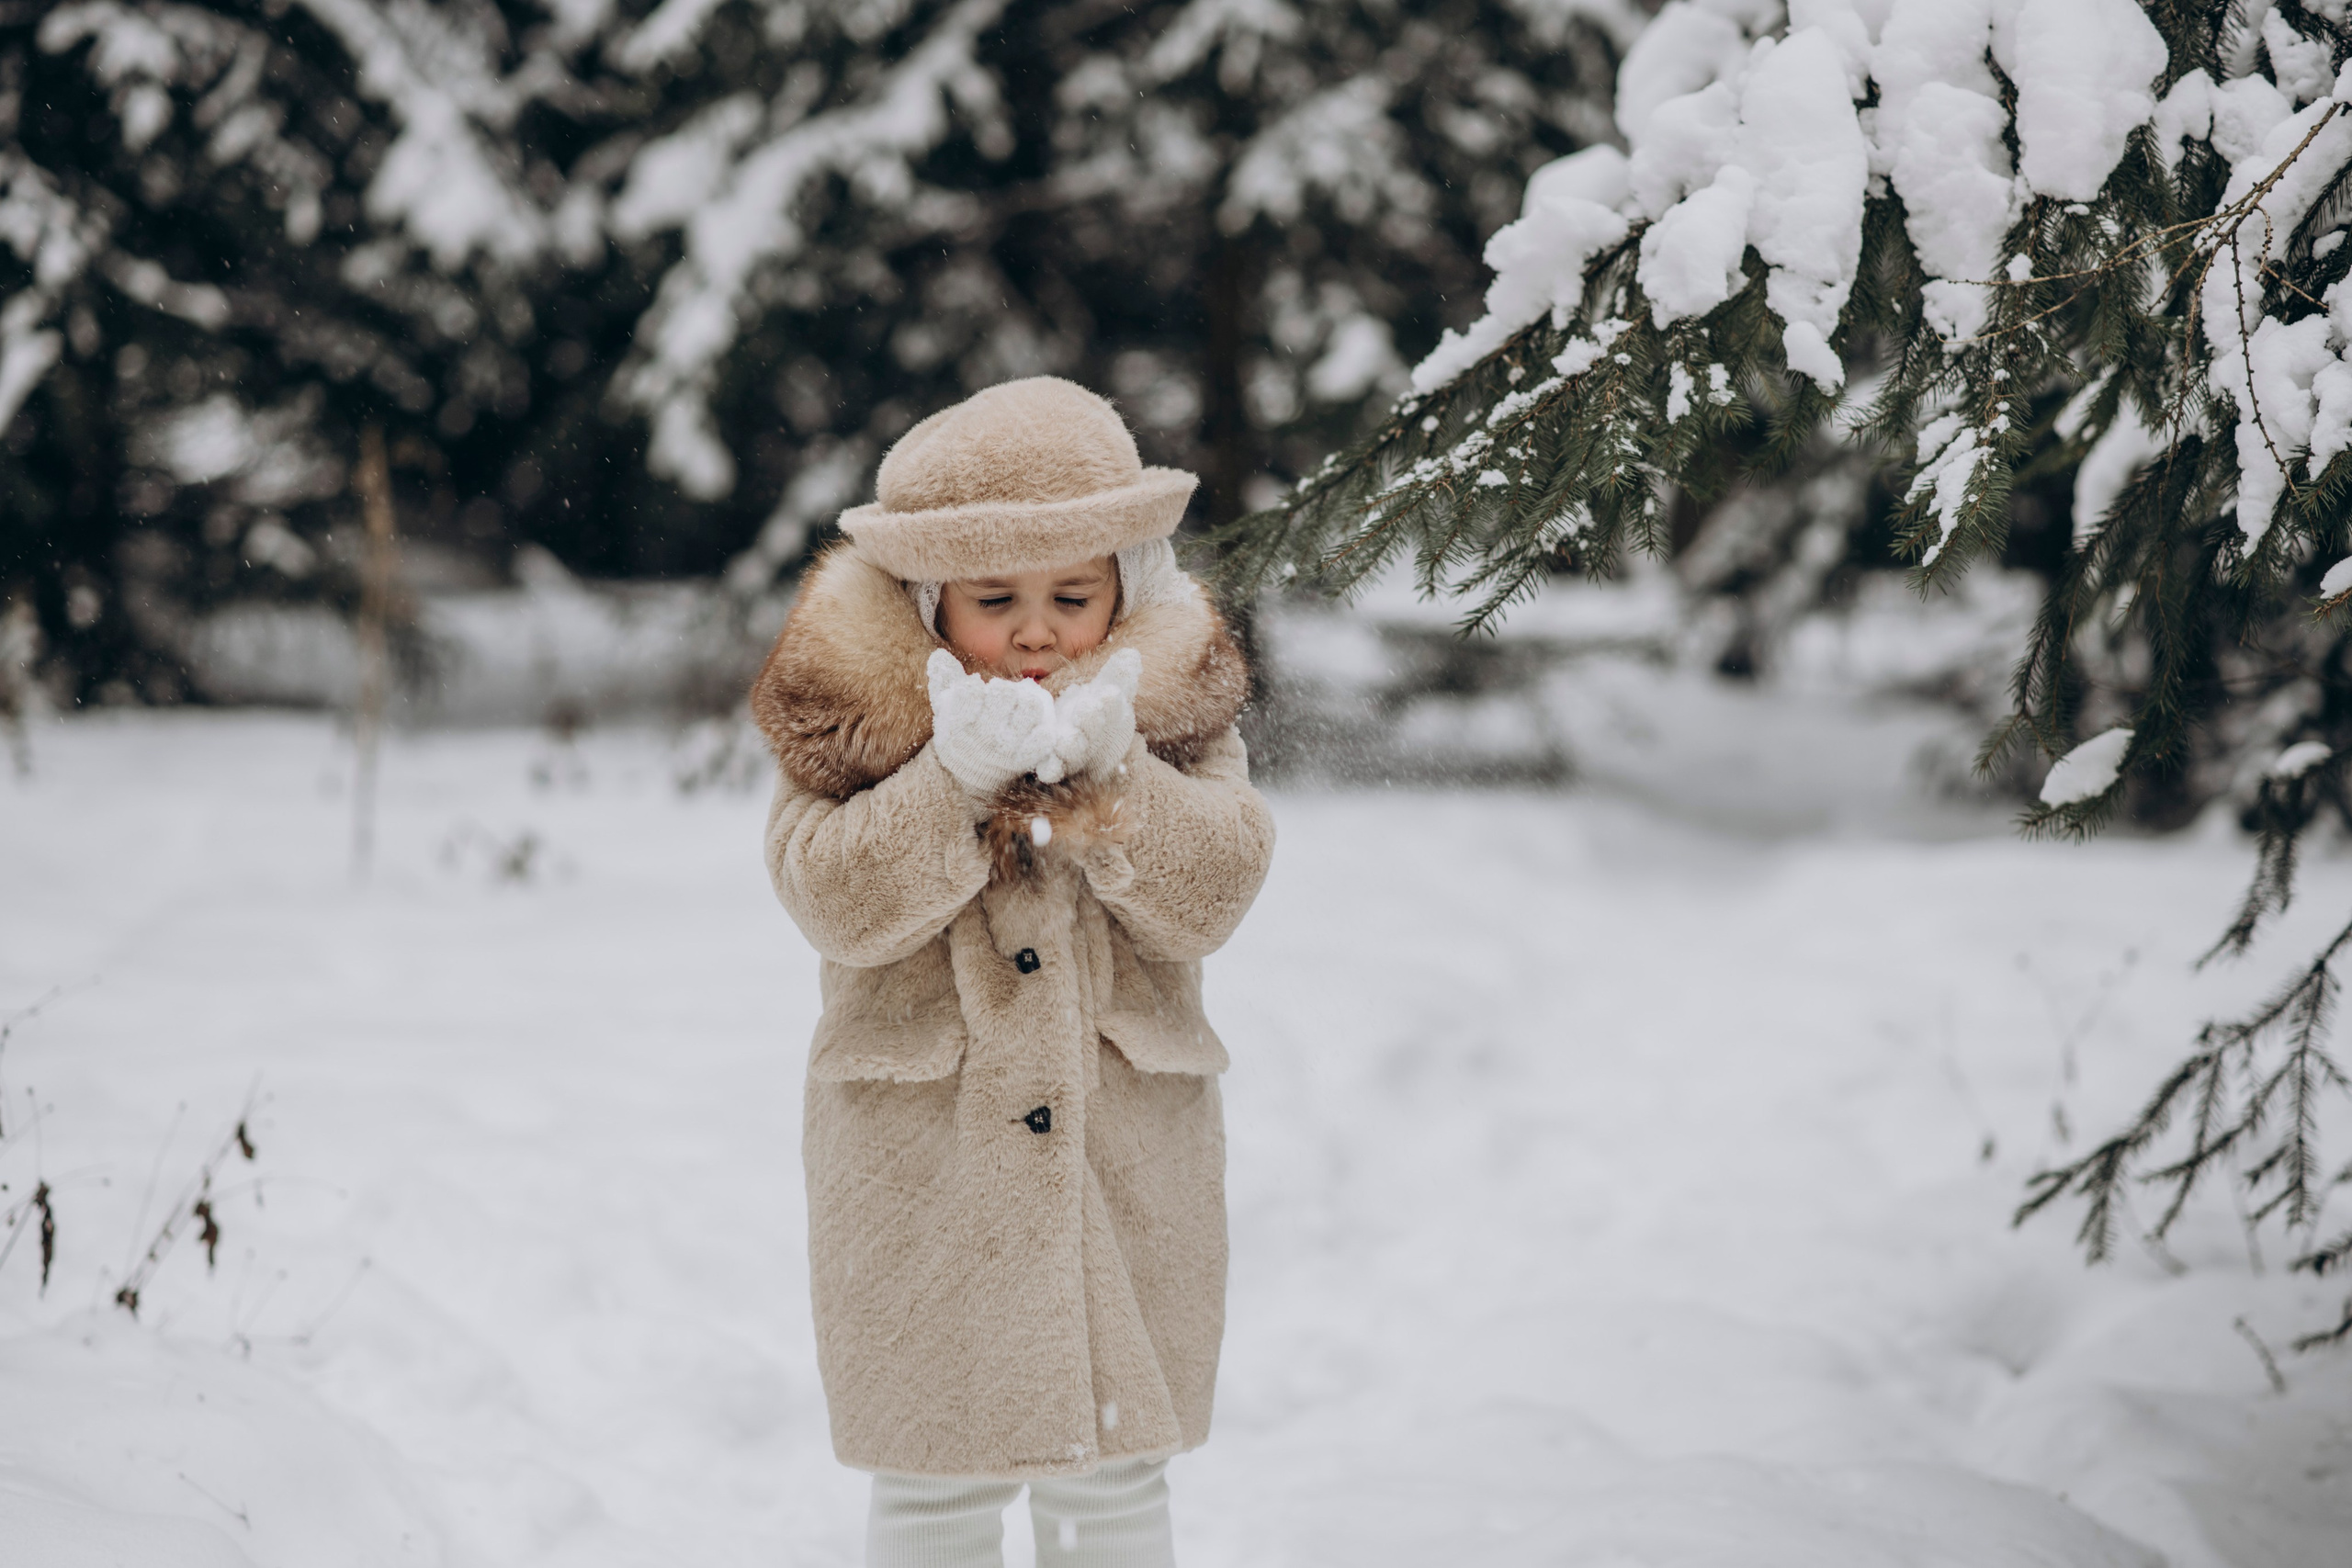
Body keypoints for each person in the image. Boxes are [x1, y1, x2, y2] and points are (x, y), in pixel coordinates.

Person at [750, 376, 1275, 1568]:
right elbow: (830, 898)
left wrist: (1121, 786)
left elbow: (1219, 891)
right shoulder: (857, 727)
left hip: (1121, 1159)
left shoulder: (1175, 714)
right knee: (936, 1473)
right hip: (928, 1173)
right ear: (932, 603)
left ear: (1123, 587)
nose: (1037, 630)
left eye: (1070, 596)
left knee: (1115, 1475)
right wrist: (952, 784)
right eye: (996, 600)